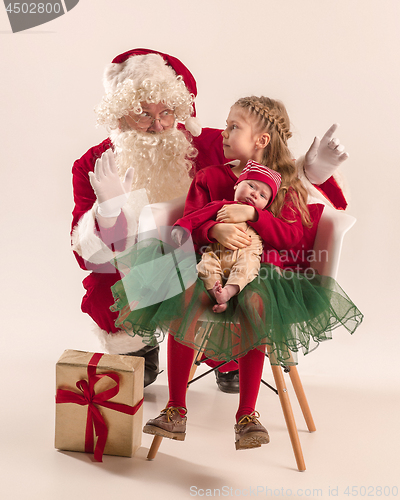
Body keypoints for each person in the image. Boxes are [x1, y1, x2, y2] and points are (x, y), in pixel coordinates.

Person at [71, 47, 350, 391]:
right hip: (145, 263)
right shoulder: (93, 164)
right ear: (119, 113)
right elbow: (89, 258)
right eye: (142, 114)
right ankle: (140, 347)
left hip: (213, 255)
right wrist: (109, 212)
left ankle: (226, 356)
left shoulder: (214, 144)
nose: (157, 125)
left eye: (167, 112)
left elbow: (269, 172)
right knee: (105, 288)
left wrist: (310, 170)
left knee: (234, 284)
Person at [134, 96, 363, 450]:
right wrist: (215, 230)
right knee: (185, 301)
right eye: (226, 125)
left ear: (261, 140)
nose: (224, 133)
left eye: (233, 126)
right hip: (208, 264)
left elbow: (293, 237)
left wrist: (255, 215)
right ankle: (175, 409)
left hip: (266, 274)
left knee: (256, 306)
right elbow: (190, 225)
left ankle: (247, 415)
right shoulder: (210, 178)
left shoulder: (284, 186)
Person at [174, 160, 282, 313]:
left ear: (266, 205)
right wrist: (181, 227)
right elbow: (197, 217)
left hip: (246, 255)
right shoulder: (222, 205)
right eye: (251, 186)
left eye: (263, 195)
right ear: (237, 185)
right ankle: (217, 295)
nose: (254, 194)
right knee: (206, 266)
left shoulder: (263, 217)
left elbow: (277, 236)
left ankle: (227, 293)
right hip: (217, 252)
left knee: (248, 268)